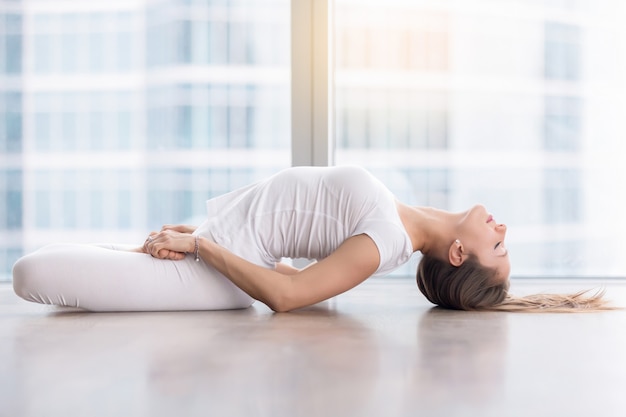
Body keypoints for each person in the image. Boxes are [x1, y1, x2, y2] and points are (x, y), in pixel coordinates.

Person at [12, 165, 609, 312]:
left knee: (27, 274)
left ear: (459, 255)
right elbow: (289, 235)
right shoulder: (395, 221)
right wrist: (198, 231)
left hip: (204, 275)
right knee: (47, 265)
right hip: (206, 254)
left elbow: (288, 297)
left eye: (498, 246)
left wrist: (200, 249)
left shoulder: (383, 241)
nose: (501, 229)